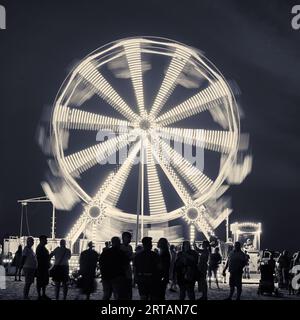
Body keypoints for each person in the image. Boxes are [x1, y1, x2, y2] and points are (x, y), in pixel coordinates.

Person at [36, 235, 51, 300]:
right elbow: (44, 257)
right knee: (40, 281)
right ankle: (40, 295)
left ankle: (43, 294)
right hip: (41, 267)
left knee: (44, 281)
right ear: (42, 240)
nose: (46, 241)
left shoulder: (41, 247)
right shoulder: (40, 248)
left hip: (43, 267)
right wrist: (50, 255)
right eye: (46, 239)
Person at [120, 232, 134, 299]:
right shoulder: (120, 247)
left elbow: (130, 257)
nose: (130, 239)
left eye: (130, 238)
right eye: (128, 238)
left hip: (128, 270)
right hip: (121, 271)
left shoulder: (130, 247)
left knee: (128, 290)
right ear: (123, 238)